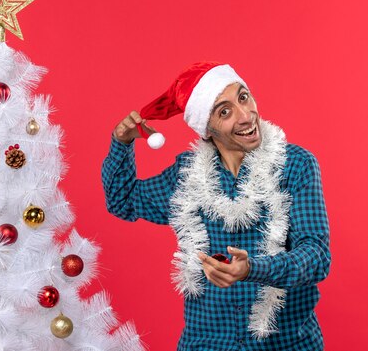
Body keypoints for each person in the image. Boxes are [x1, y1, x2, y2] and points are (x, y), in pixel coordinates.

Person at [101, 62, 331, 350]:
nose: (246, 116)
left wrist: (252, 269)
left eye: (243, 97)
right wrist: (121, 143)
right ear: (207, 130)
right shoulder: (186, 175)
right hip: (206, 343)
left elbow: (316, 255)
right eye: (225, 111)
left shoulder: (295, 165)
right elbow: (122, 200)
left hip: (285, 343)